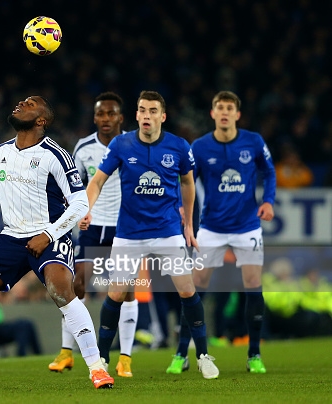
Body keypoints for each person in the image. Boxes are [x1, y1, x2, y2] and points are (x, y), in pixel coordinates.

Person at [0, 95, 114, 390]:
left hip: (50, 234)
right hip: (12, 236)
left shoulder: (56, 154)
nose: (20, 104)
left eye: (30, 104)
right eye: (21, 102)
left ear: (41, 121)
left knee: (61, 291)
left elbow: (79, 203)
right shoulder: (2, 151)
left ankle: (96, 368)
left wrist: (49, 234)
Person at [83, 90, 219, 380]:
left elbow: (188, 184)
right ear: (136, 115)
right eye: (142, 110)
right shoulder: (121, 144)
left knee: (186, 289)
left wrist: (189, 226)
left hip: (167, 232)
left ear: (162, 116)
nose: (147, 115)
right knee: (116, 293)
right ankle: (102, 361)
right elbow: (96, 181)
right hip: (129, 233)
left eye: (153, 111)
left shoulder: (179, 147)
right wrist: (87, 208)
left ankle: (203, 355)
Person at [169, 90, 276, 375]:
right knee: (194, 288)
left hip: (247, 227)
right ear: (213, 114)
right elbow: (187, 179)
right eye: (220, 107)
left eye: (230, 107)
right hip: (212, 228)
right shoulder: (201, 147)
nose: (225, 112)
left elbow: (269, 170)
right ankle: (182, 353)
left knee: (253, 285)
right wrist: (181, 208)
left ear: (237, 114)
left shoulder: (253, 141)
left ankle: (254, 353)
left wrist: (268, 201)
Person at [49, 91, 138, 378]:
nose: (106, 118)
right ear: (95, 117)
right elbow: (75, 186)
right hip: (92, 225)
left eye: (111, 113)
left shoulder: (133, 145)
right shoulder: (83, 147)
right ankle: (66, 352)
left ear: (121, 118)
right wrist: (79, 214)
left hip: (125, 228)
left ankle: (125, 358)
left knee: (126, 290)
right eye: (101, 113)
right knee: (77, 285)